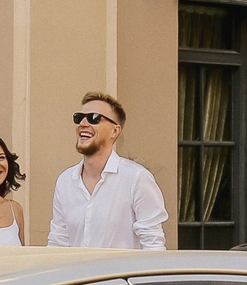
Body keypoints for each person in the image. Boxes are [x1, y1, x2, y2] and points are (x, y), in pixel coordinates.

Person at [46, 92, 169, 249]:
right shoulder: (65, 181)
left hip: (120, 274)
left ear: (114, 131)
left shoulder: (137, 178)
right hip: (79, 273)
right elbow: (58, 242)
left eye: (94, 118)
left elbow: (153, 245)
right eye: (79, 117)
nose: (83, 123)